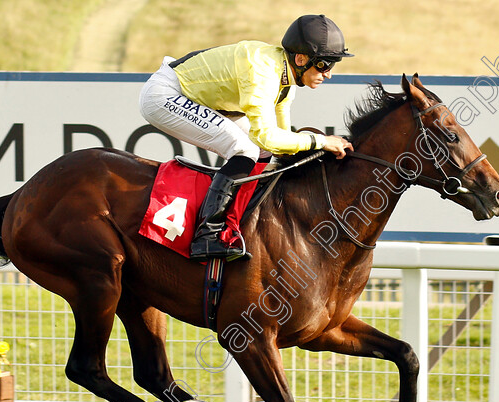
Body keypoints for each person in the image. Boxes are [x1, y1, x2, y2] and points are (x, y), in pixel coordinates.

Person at [139, 14, 355, 261]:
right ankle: (206, 234)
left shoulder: (287, 80)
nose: (328, 74)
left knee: (259, 151)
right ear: (301, 58)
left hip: (199, 99)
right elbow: (266, 137)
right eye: (325, 64)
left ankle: (233, 223)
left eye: (333, 65)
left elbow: (280, 144)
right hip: (164, 95)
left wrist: (318, 147)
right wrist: (321, 141)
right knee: (246, 149)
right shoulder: (262, 72)